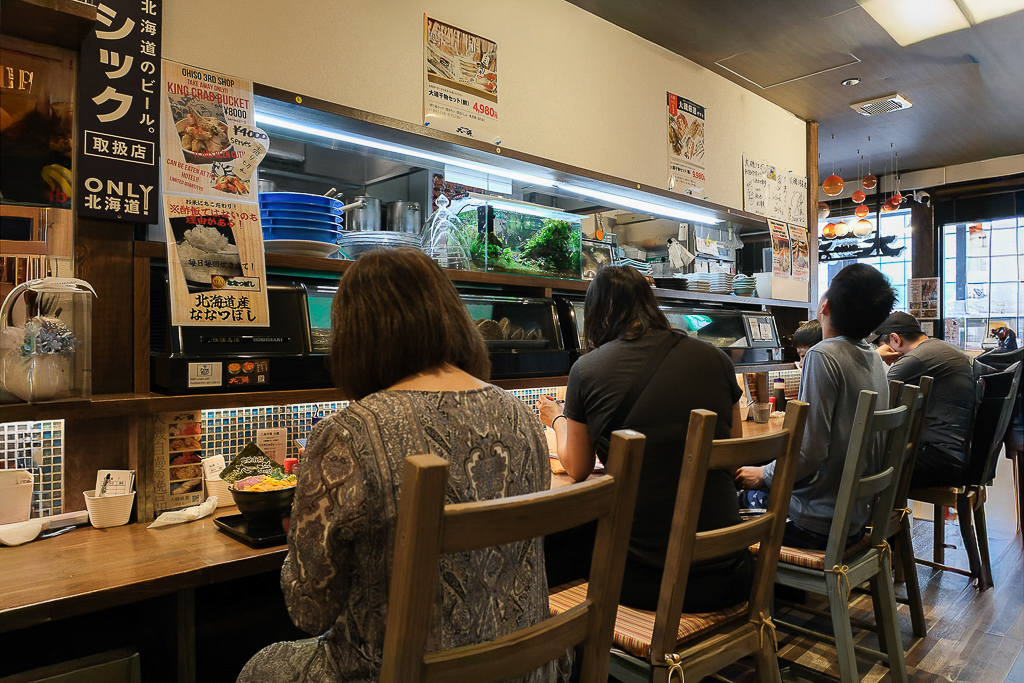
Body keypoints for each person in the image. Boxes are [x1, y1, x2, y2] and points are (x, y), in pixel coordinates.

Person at [239, 249, 562, 683]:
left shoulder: (349, 432)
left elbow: (310, 609)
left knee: (261, 666)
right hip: (527, 670)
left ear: (357, 337)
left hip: (398, 673)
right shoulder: (522, 418)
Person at [539, 265, 751, 613]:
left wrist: (558, 419)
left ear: (595, 313)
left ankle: (582, 661)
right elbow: (733, 456)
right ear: (649, 303)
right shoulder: (717, 358)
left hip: (654, 582)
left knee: (559, 548)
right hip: (732, 572)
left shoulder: (588, 368)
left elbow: (576, 467)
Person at [736, 264, 895, 549]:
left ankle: (756, 591)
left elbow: (809, 452)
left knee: (725, 505)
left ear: (825, 305)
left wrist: (764, 475)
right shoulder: (872, 356)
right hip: (853, 518)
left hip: (816, 523)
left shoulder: (823, 354)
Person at [872, 311, 975, 488]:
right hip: (959, 455)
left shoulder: (916, 358)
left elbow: (877, 398)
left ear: (895, 339)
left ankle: (880, 515)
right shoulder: (943, 348)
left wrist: (874, 358)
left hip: (941, 461)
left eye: (884, 346)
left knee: (864, 467)